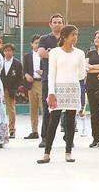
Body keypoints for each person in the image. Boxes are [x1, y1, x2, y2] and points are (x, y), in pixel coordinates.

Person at [38, 25, 85, 164]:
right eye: (73, 35)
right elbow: (51, 73)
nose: (75, 37)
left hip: (72, 89)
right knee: (53, 121)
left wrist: (72, 77)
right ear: (64, 36)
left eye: (76, 35)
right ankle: (46, 153)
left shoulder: (80, 53)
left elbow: (82, 74)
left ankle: (68, 152)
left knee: (70, 122)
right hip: (57, 89)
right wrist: (51, 92)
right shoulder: (55, 52)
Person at [36, 15, 65, 147]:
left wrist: (51, 54)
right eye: (55, 22)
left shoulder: (68, 38)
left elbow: (70, 54)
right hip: (48, 78)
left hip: (65, 78)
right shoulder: (44, 39)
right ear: (50, 24)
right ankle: (45, 138)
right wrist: (59, 55)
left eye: (60, 22)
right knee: (48, 108)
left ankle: (68, 137)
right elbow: (41, 53)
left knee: (67, 108)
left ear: (63, 24)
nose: (57, 24)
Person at [0, 44, 24, 140]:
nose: (7, 52)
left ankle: (12, 130)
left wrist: (14, 89)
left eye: (9, 50)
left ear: (13, 51)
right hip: (0, 89)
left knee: (11, 110)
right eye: (5, 51)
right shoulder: (0, 62)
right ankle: (1, 129)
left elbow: (19, 78)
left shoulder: (17, 64)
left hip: (11, 89)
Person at [22, 35, 43, 140]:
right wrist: (26, 75)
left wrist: (43, 72)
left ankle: (46, 130)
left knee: (44, 107)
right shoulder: (27, 56)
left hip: (42, 82)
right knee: (33, 108)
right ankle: (34, 131)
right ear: (31, 44)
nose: (37, 45)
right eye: (35, 43)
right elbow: (24, 69)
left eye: (39, 43)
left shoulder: (44, 55)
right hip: (32, 83)